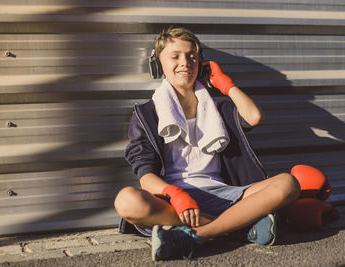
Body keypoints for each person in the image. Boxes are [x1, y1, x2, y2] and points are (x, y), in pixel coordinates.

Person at [114, 27, 301, 261]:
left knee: (288, 183)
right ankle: (241, 228)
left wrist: (225, 84)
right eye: (175, 56)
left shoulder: (219, 108)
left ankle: (198, 235)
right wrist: (174, 193)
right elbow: (145, 176)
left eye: (192, 56)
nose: (185, 62)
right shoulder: (145, 114)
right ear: (158, 65)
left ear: (201, 63)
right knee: (126, 201)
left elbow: (254, 117)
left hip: (226, 194)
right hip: (173, 201)